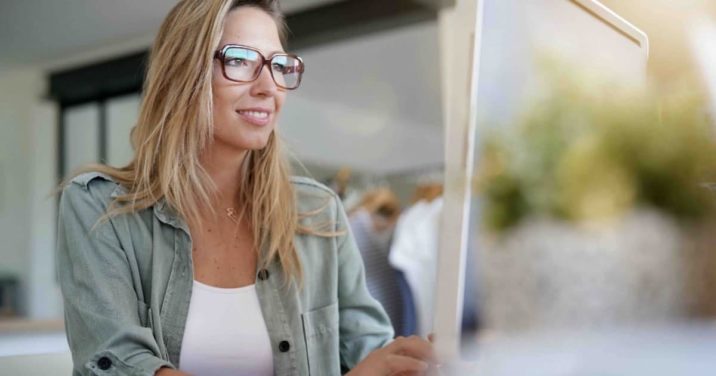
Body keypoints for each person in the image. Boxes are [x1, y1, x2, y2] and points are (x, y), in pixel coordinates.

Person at [56, 0, 435, 375]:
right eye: (239, 60)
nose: (269, 87)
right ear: (183, 72)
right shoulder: (98, 207)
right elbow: (118, 362)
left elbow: (367, 351)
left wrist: (407, 363)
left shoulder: (319, 213)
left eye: (279, 65)